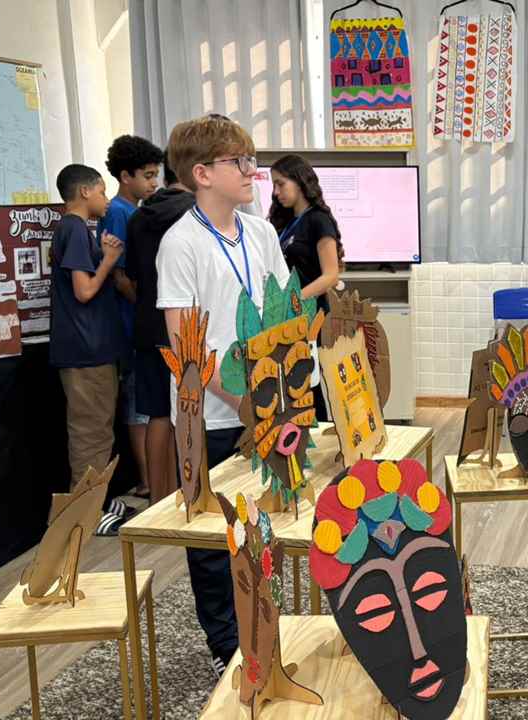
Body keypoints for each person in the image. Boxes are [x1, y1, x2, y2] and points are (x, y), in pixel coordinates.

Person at [156, 114, 291, 675]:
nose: (253, 172)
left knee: (263, 524)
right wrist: (238, 400)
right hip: (208, 415)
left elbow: (282, 310)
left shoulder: (258, 231)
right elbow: (186, 345)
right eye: (241, 162)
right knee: (212, 535)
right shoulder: (180, 243)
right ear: (203, 173)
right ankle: (223, 645)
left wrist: (283, 383)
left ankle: (262, 622)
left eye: (252, 160)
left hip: (265, 400)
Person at [48, 164, 125, 494]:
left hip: (89, 348)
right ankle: (86, 511)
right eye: (102, 191)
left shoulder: (77, 230)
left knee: (96, 429)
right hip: (85, 349)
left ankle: (95, 505)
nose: (106, 199)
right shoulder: (75, 229)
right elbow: (84, 291)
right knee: (91, 431)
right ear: (84, 192)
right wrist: (108, 260)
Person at [125, 160, 195, 503]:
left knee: (157, 413)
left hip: (147, 325)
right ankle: (192, 494)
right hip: (184, 327)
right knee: (191, 412)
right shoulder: (195, 213)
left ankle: (157, 502)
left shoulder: (139, 216)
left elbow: (134, 276)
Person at [101, 135, 166, 500]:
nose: (153, 183)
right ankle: (147, 479)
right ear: (126, 176)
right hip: (131, 325)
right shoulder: (119, 213)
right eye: (147, 175)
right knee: (140, 406)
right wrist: (147, 309)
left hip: (139, 319)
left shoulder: (137, 211)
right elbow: (120, 273)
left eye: (156, 175)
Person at [267, 154, 345, 421]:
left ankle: (317, 437)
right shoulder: (287, 222)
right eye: (273, 186)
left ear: (300, 181)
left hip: (311, 315)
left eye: (281, 184)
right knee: (297, 383)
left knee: (308, 381)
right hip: (292, 316)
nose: (276, 193)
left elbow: (331, 275)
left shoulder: (318, 220)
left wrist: (294, 299)